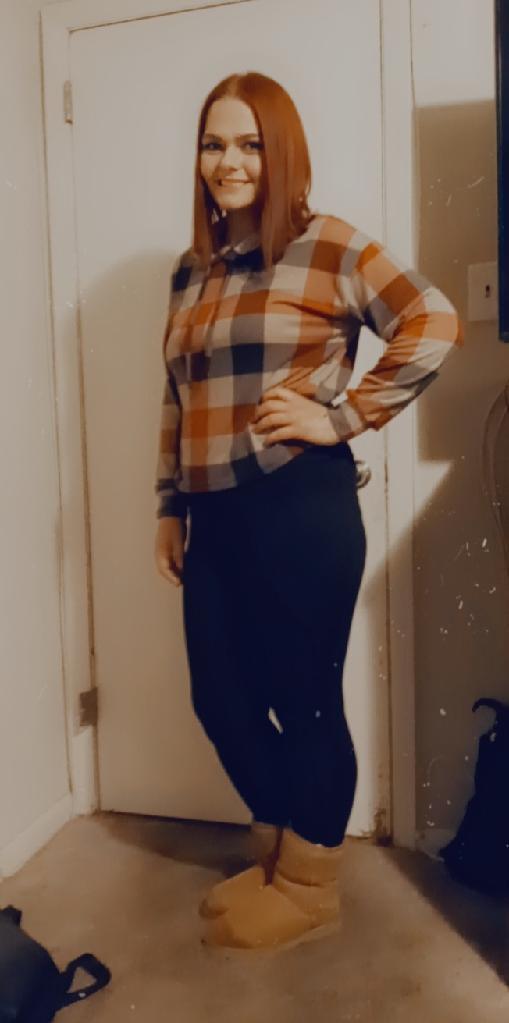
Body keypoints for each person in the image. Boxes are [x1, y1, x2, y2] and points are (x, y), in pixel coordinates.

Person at [154, 71, 464, 951]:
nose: (229, 161)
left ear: (282, 151)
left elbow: (433, 318)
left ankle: (308, 885)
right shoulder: (190, 271)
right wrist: (168, 505)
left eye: (250, 143)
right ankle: (279, 854)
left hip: (297, 503)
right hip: (213, 516)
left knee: (305, 699)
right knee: (219, 697)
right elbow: (176, 396)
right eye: (214, 143)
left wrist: (343, 415)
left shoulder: (327, 245)